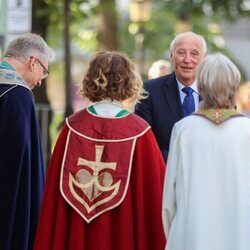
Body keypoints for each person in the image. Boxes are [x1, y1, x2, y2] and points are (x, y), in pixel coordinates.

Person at [33, 51, 166, 250]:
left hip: (77, 235)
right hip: (123, 233)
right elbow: (156, 195)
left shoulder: (72, 127)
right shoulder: (139, 132)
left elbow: (54, 198)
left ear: (90, 80)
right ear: (129, 82)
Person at [162, 53, 250, 250]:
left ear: (200, 86)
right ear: (234, 87)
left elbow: (170, 199)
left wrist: (177, 236)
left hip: (192, 235)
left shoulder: (184, 129)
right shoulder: (247, 130)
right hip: (240, 235)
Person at [0, 33, 54, 250]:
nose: (41, 80)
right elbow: (20, 162)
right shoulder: (18, 95)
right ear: (33, 62)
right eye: (44, 70)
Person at [135, 31, 207, 162]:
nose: (187, 60)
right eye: (181, 52)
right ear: (171, 56)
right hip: (164, 175)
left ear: (204, 58)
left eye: (194, 53)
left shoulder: (216, 92)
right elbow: (143, 144)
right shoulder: (150, 91)